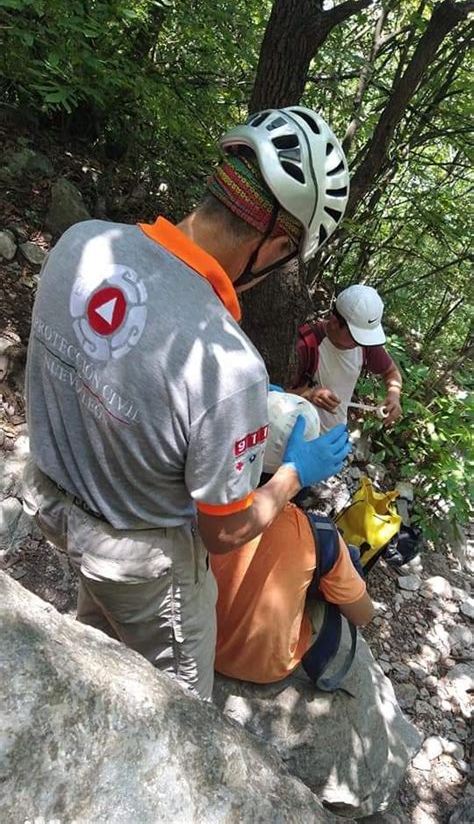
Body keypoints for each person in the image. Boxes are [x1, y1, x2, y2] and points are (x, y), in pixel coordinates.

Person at [22, 106, 351, 701]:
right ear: (277, 240)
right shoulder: (229, 366)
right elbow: (225, 533)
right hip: (141, 560)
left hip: (51, 504)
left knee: (96, 639)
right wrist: (295, 474)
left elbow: (118, 373)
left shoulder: (82, 242)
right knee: (178, 712)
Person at [212, 392, 374, 685]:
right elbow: (363, 614)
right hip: (266, 669)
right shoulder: (318, 536)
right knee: (329, 581)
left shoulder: (209, 505)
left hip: (197, 646)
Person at [292, 284, 403, 433]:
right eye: (355, 336)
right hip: (298, 436)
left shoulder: (364, 345)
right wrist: (308, 394)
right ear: (334, 322)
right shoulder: (306, 344)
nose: (359, 342)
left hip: (336, 435)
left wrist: (394, 394)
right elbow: (272, 392)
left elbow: (391, 371)